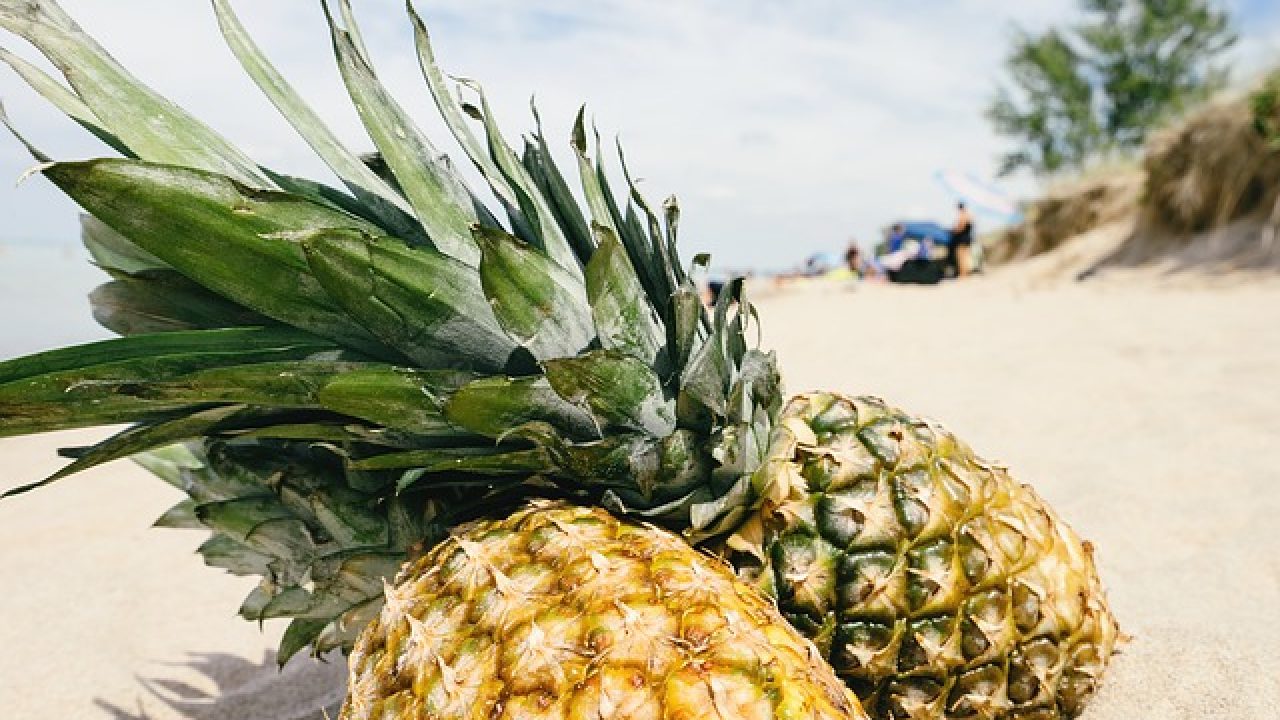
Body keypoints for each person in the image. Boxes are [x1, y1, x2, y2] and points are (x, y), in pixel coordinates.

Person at [947, 202, 974, 278]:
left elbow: (960, 228)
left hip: (962, 239)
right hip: (968, 238)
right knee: (966, 256)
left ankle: (963, 275)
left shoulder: (962, 215)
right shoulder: (969, 215)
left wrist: (952, 231)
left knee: (961, 257)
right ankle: (966, 274)